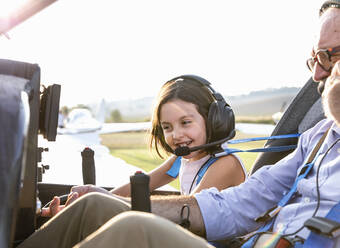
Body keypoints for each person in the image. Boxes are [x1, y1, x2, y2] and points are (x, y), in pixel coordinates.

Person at [19, 2, 340, 248]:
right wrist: (113, 200)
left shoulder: (223, 164)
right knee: (93, 205)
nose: (317, 75)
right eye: (314, 59)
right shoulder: (318, 137)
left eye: (329, 57)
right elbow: (241, 203)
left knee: (132, 228)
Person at [42, 75, 246, 217]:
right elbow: (144, 184)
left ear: (215, 120)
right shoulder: (182, 159)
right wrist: (95, 196)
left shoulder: (224, 164)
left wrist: (103, 203)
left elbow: (187, 212)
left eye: (185, 122)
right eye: (167, 127)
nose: (176, 135)